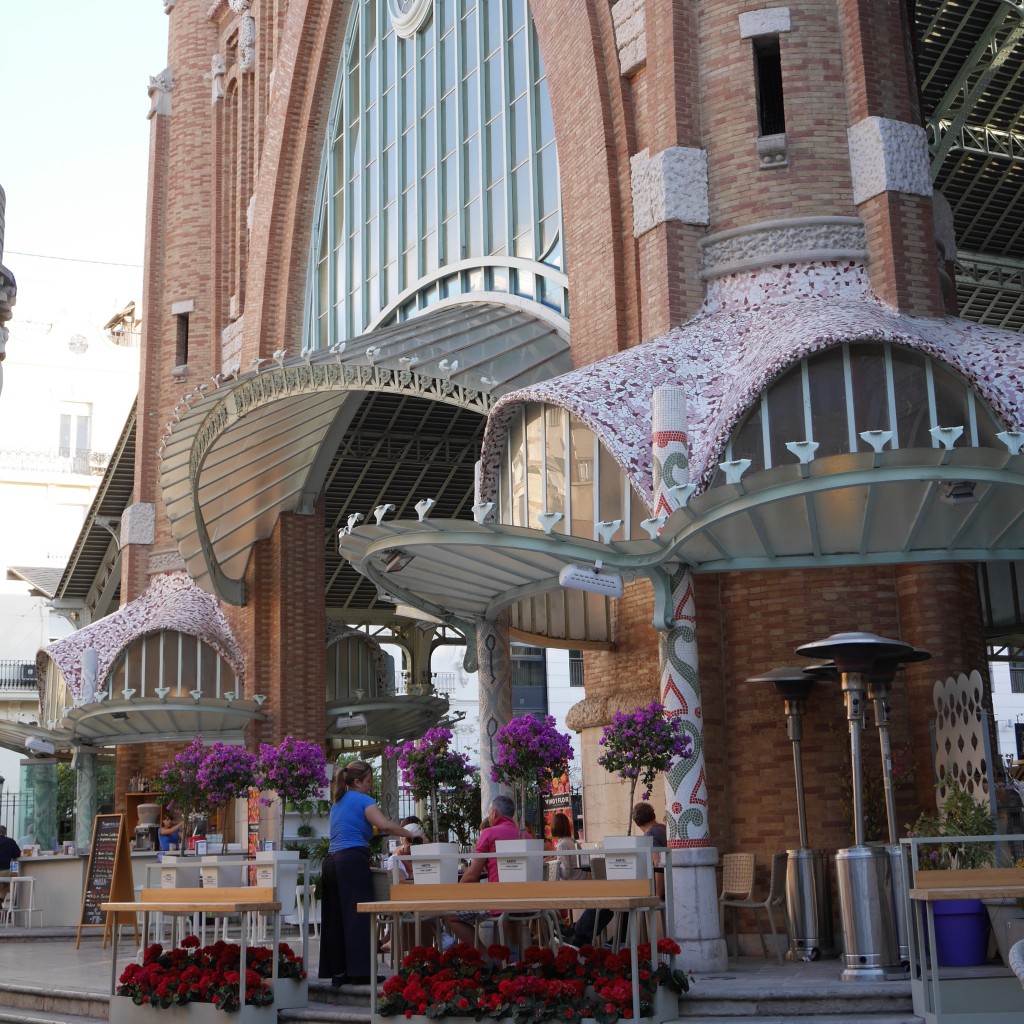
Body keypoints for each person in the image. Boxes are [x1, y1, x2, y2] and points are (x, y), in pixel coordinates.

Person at [318, 760, 414, 987]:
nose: (371, 786)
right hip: (351, 861)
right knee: (358, 916)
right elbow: (386, 826)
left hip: (331, 862)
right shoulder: (363, 800)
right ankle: (360, 973)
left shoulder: (338, 802)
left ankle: (338, 972)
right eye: (369, 781)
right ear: (357, 782)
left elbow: (360, 831)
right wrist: (411, 834)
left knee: (335, 919)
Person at [444, 793, 520, 947]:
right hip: (526, 901)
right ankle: (513, 956)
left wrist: (455, 893)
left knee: (449, 913)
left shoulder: (489, 833)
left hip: (498, 902)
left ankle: (485, 957)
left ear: (494, 813)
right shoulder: (525, 835)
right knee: (512, 911)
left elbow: (472, 875)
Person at [0, 826, 21, 907]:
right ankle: (1, 898)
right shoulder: (10, 841)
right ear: (4, 833)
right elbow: (17, 854)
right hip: (4, 871)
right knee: (7, 883)